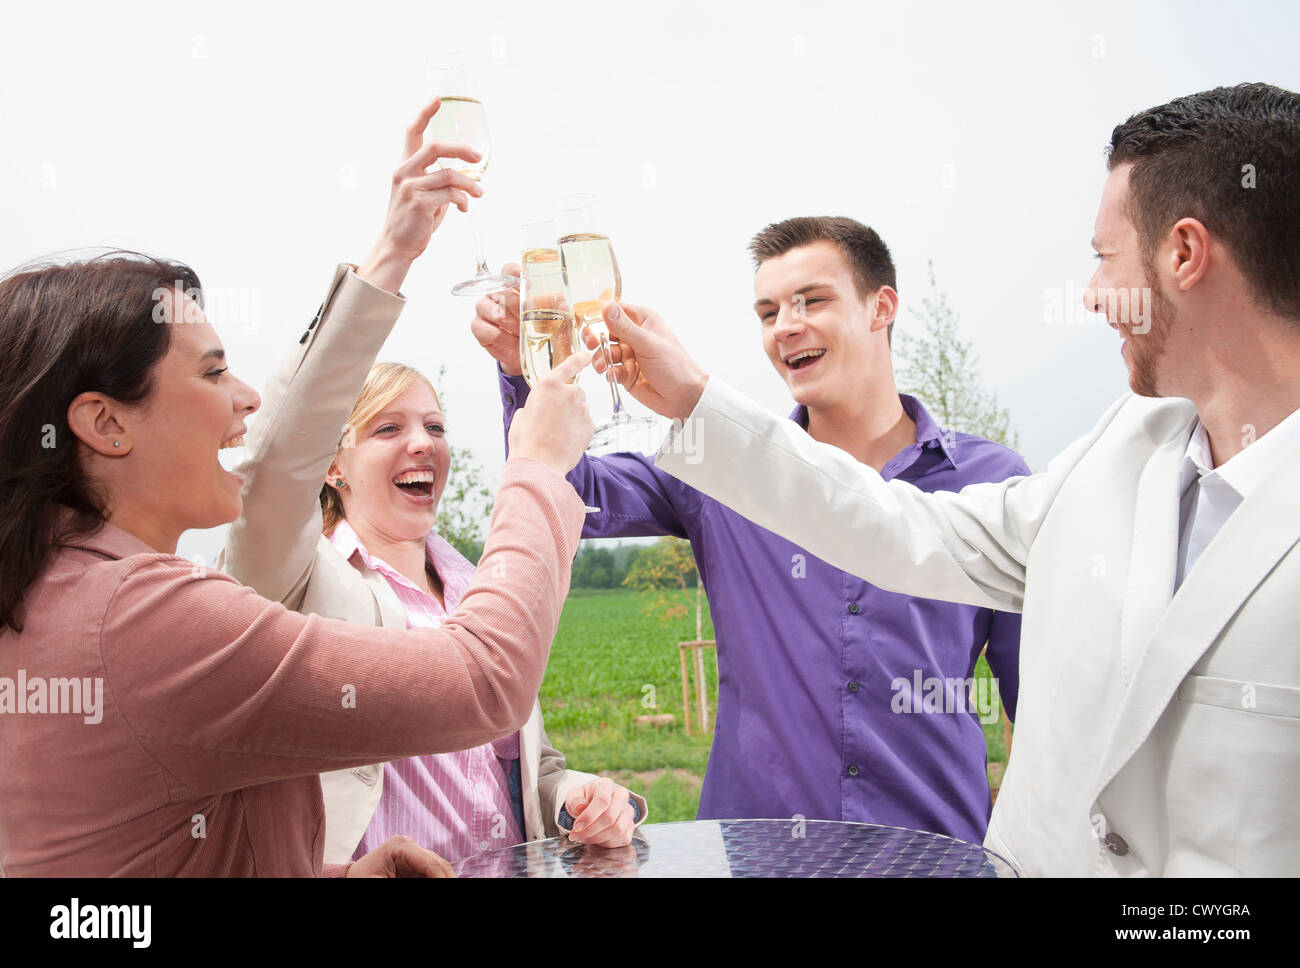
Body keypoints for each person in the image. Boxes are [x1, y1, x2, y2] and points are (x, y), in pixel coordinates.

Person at [582, 82, 1300, 876]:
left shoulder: (1000, 467)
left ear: (1185, 255)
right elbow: (896, 528)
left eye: (1103, 259)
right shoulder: (1118, 453)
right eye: (766, 310)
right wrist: (688, 397)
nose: (1091, 294)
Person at [0, 99, 595, 877]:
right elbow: (486, 682)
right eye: (213, 372)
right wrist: (538, 467)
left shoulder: (56, 591)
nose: (245, 397)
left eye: (437, 425)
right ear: (106, 425)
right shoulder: (148, 618)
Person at [471, 217, 1028, 843]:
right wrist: (528, 376)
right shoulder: (719, 470)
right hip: (758, 850)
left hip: (933, 851)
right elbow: (577, 492)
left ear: (882, 307)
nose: (786, 325)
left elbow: (1034, 705)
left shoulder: (991, 483)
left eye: (812, 300)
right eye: (768, 312)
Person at [220, 326, 647, 861]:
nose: (422, 442)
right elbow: (272, 478)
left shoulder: (482, 588)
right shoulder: (302, 581)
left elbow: (522, 766)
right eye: (387, 428)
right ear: (331, 466)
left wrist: (576, 797)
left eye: (435, 426)